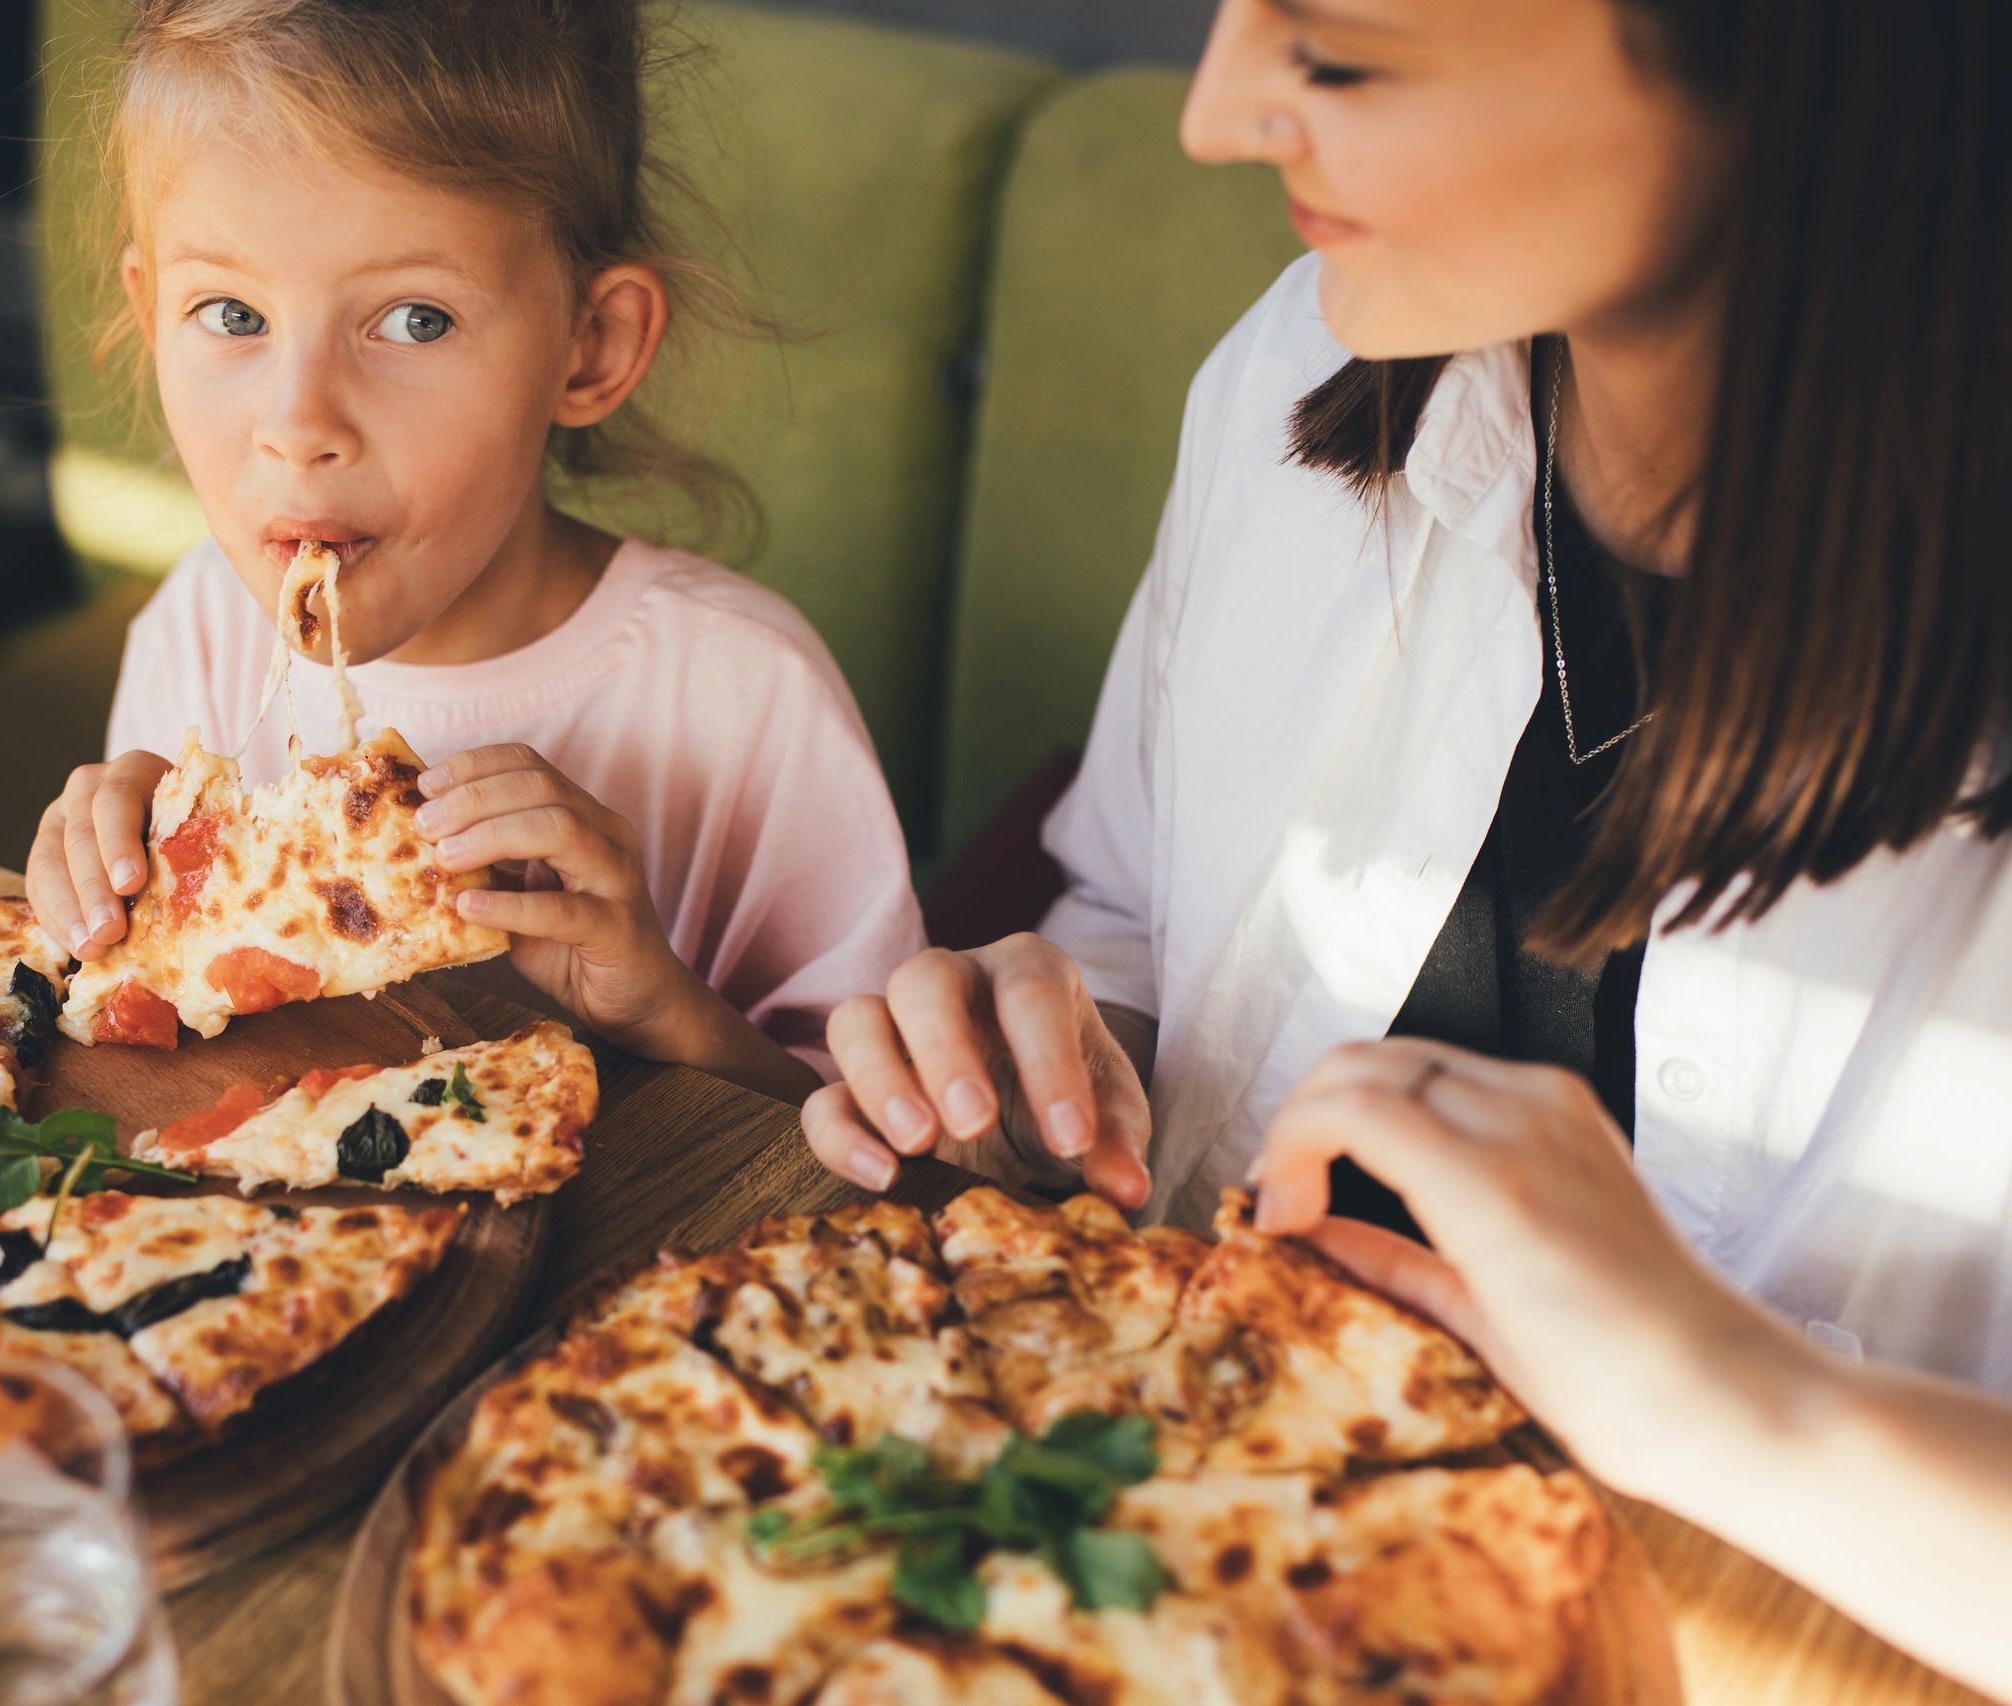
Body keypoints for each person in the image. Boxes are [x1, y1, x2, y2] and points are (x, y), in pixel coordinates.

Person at [801, 1, 2012, 1691]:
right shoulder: (1294, 366)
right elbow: (1139, 911)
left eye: (1342, 48)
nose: (1214, 117)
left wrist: (1743, 1400)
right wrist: (1054, 1053)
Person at [25, 0, 924, 1100]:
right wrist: (111, 912)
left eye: (413, 321)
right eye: (230, 314)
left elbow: (873, 1153)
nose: (299, 422)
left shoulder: (745, 691)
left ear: (588, 347)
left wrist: (661, 1004)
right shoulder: (196, 627)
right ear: (148, 312)